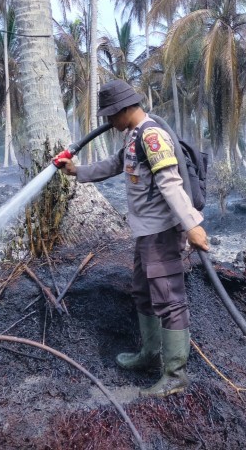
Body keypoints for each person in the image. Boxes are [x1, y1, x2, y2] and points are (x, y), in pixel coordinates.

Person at [55, 79, 209, 398]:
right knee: (143, 291)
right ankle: (149, 354)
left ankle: (175, 374)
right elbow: (114, 165)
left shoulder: (152, 137)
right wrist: (76, 171)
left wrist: (192, 225)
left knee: (169, 300)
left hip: (162, 234)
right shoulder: (133, 137)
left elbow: (169, 183)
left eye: (111, 115)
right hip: (144, 234)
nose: (109, 122)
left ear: (125, 109)